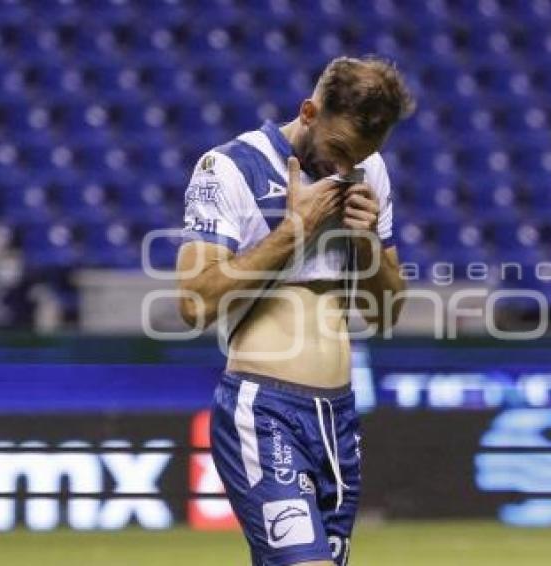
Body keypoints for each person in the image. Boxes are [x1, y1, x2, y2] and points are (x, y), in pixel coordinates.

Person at [176, 56, 415, 566]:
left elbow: (386, 312)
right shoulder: (229, 167)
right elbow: (194, 303)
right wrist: (293, 230)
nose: (345, 171)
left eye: (361, 157)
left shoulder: (369, 171)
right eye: (338, 151)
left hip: (339, 420)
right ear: (309, 111)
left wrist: (368, 240)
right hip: (266, 411)